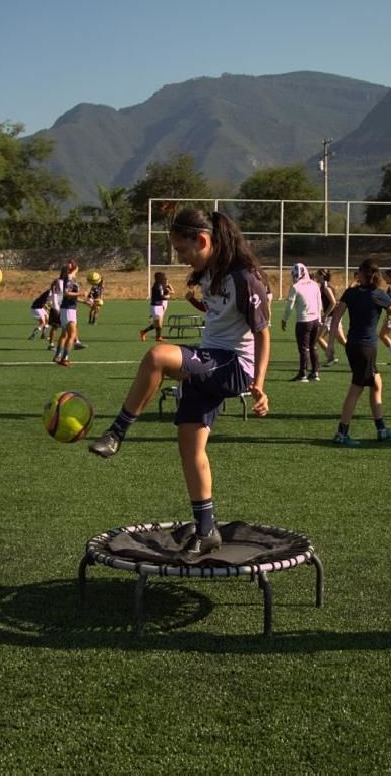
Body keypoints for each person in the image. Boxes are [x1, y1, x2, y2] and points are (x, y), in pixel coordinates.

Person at [89, 209, 270, 555]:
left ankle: (117, 432)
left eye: (184, 251)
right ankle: (206, 530)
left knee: (157, 357)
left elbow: (263, 334)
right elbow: (222, 316)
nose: (182, 259)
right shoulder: (209, 274)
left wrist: (259, 383)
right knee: (189, 445)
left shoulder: (245, 277)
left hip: (233, 366)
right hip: (210, 360)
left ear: (203, 240)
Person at [328, 259, 391, 445]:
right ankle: (342, 433)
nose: (356, 274)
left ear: (363, 274)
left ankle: (381, 429)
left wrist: (331, 344)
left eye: (358, 271)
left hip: (352, 345)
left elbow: (335, 317)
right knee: (356, 388)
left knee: (376, 383)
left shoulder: (351, 293)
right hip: (366, 348)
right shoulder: (378, 295)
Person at [280, 262, 323, 382]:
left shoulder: (296, 287)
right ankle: (315, 372)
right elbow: (319, 302)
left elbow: (289, 306)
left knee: (303, 349)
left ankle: (303, 374)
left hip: (303, 321)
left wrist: (284, 319)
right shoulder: (314, 284)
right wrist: (319, 318)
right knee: (313, 347)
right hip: (315, 320)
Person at [53, 260, 82, 366]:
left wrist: (84, 301)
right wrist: (81, 293)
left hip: (67, 309)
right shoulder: (70, 278)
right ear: (75, 268)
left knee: (64, 334)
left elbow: (70, 295)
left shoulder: (70, 278)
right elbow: (66, 293)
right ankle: (64, 359)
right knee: (72, 334)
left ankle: (57, 356)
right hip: (69, 310)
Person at [316, 269, 344, 366]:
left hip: (331, 317)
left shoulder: (326, 287)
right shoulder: (323, 286)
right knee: (342, 340)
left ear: (322, 276)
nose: (316, 276)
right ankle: (356, 354)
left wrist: (325, 314)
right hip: (334, 316)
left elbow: (333, 302)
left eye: (317, 274)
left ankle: (331, 357)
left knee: (318, 337)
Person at [140, 271, 174, 342]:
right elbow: (160, 296)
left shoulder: (160, 285)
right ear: (159, 278)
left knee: (159, 324)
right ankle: (156, 336)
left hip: (159, 306)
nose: (164, 278)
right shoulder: (157, 286)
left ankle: (152, 334)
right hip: (155, 306)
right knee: (158, 323)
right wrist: (167, 296)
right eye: (163, 277)